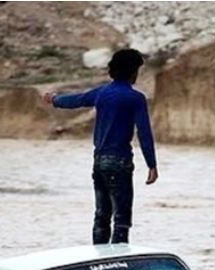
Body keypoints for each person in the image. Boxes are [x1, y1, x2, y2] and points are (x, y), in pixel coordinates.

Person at [42, 48, 157, 245]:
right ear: (133, 72)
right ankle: (118, 261)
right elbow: (144, 133)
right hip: (120, 162)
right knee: (121, 220)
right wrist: (152, 165)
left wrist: (53, 99)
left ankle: (97, 259)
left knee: (101, 216)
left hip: (99, 161)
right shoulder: (135, 98)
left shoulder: (102, 93)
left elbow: (75, 100)